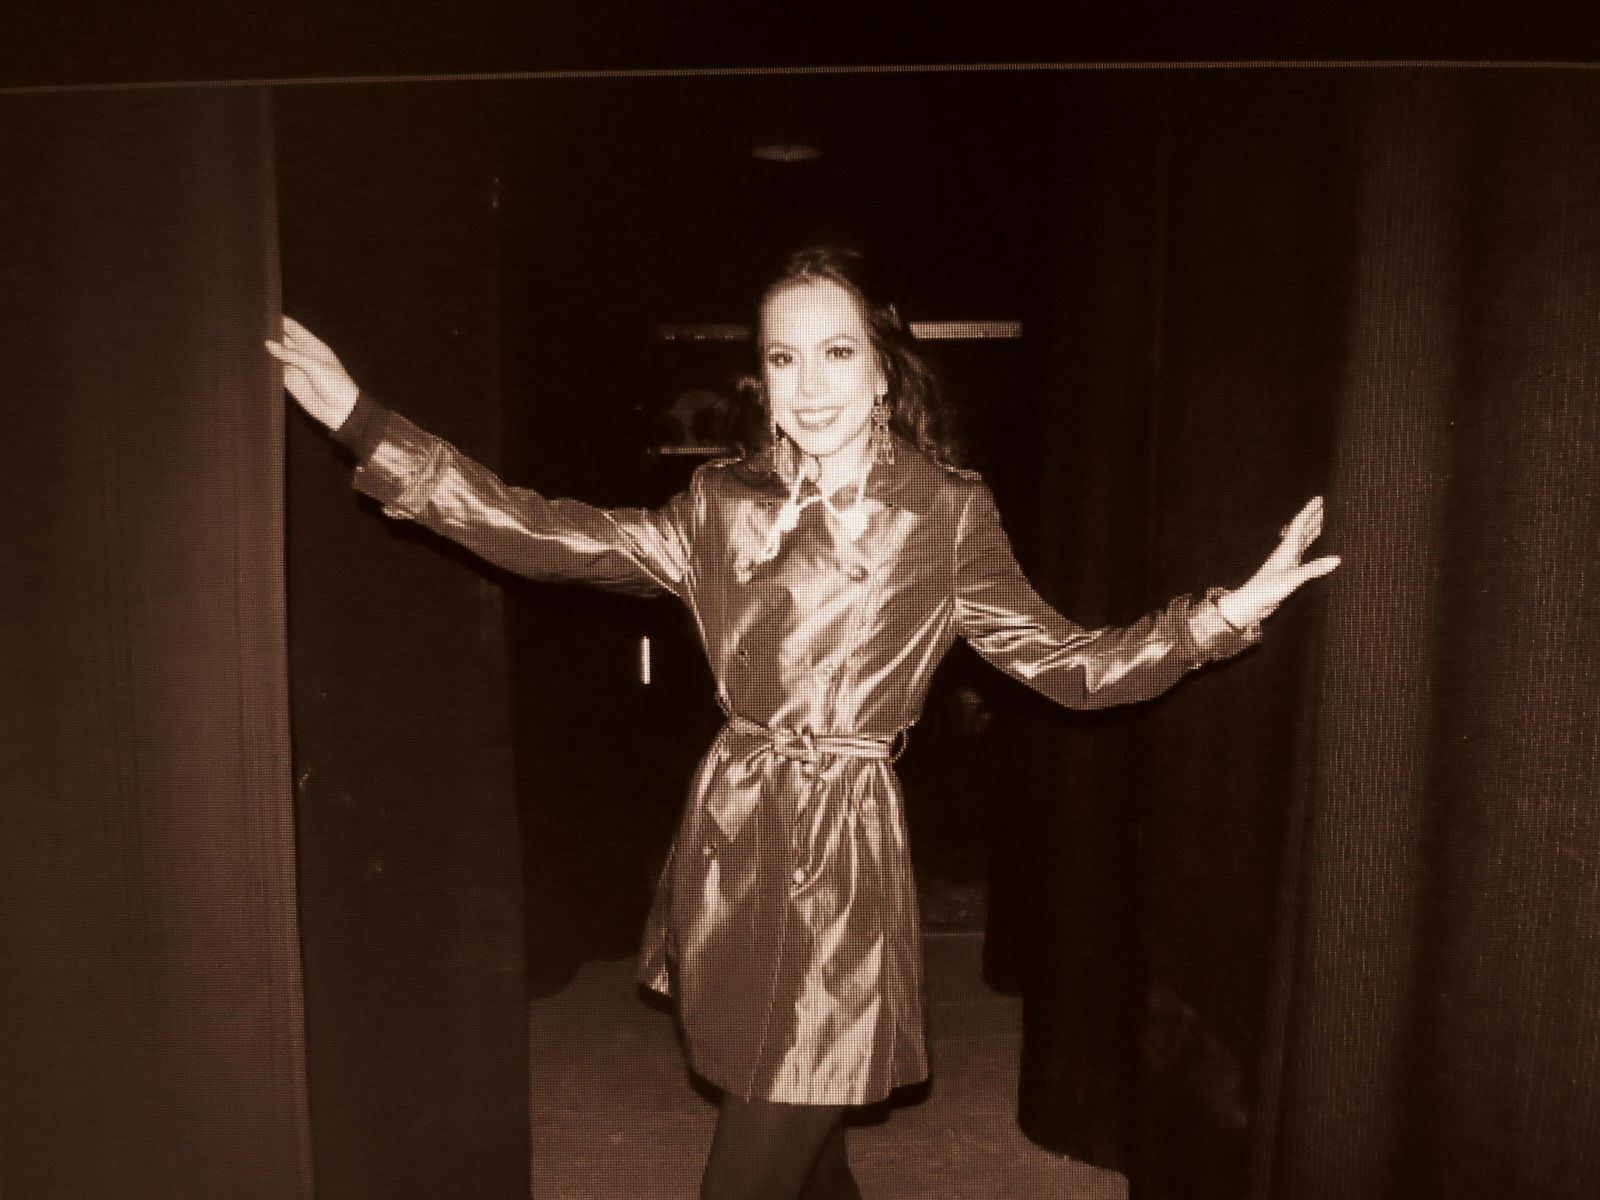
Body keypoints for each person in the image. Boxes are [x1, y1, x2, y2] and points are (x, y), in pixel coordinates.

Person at [267, 246, 1340, 1200]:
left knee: (774, 1122)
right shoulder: (717, 503)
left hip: (840, 847)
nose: (811, 384)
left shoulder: (943, 510)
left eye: (836, 353)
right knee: (785, 1112)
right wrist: (365, 424)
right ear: (763, 379)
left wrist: (1220, 618)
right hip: (732, 825)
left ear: (882, 373)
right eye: (785, 358)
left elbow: (1073, 668)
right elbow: (544, 534)